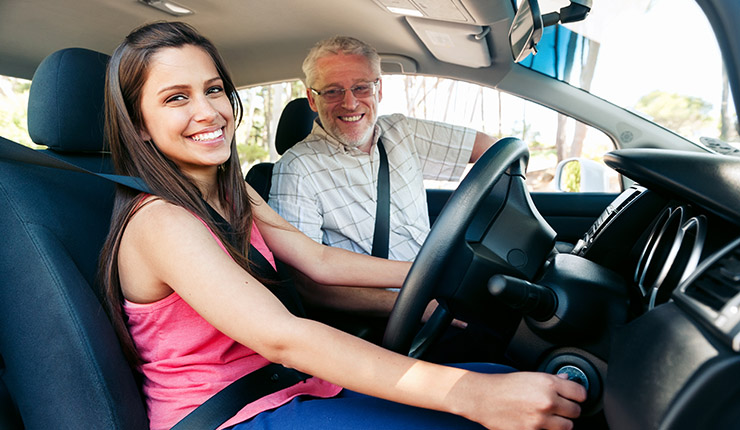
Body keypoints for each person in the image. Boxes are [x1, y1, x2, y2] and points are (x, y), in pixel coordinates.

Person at [99, 21, 585, 430]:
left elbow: (320, 259)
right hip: (230, 414)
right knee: (475, 407)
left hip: (284, 385)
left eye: (213, 90)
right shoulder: (160, 220)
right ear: (139, 123)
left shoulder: (230, 190)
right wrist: (471, 396)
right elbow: (282, 335)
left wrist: (433, 273)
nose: (208, 111)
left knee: (495, 370)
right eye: (176, 98)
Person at [269, 35, 496, 262]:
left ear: (378, 91)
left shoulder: (402, 131)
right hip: (396, 296)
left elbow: (489, 148)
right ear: (311, 99)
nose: (350, 103)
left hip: (436, 278)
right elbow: (308, 281)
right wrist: (425, 299)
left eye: (361, 87)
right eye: (332, 91)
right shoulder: (297, 170)